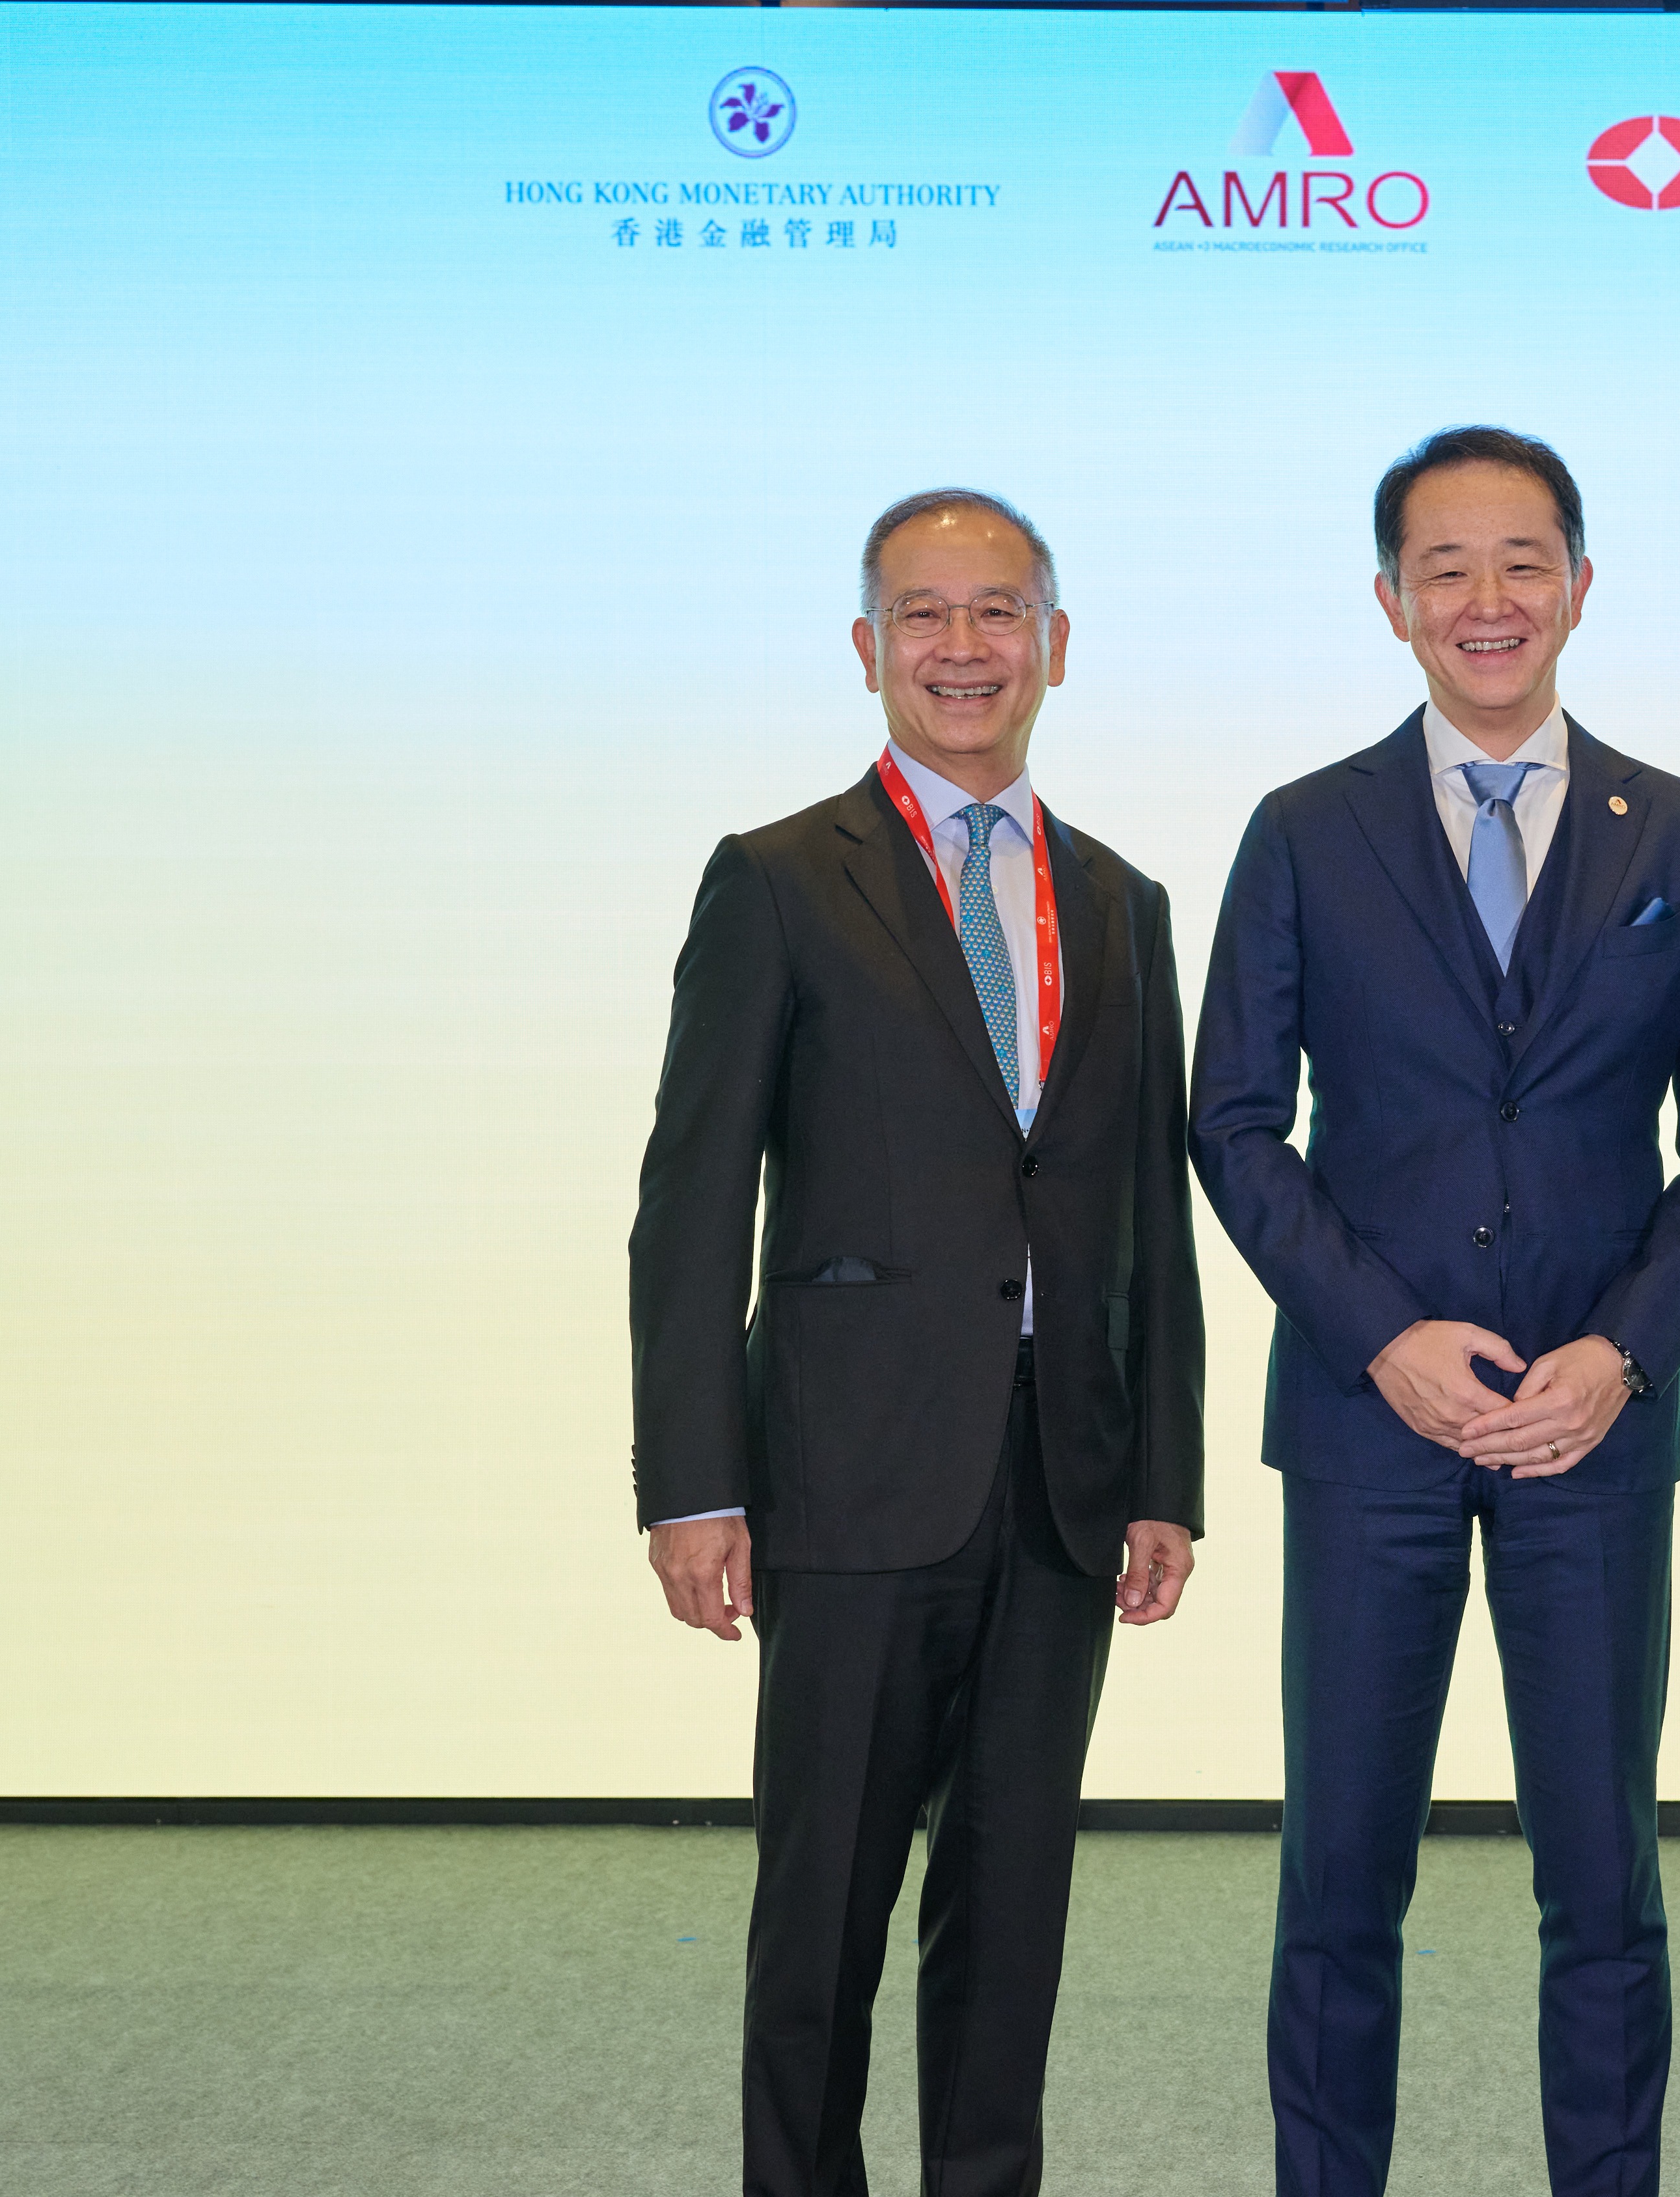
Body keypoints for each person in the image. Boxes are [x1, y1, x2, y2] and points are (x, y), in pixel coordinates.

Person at [1192, 426, 1680, 2197]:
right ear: (1392, 602)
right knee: (1339, 1874)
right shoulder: (1306, 830)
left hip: (1593, 1433)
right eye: (1445, 568)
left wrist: (1623, 1352)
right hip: (1369, 1424)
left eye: (1524, 562)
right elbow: (1235, 1121)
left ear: (1581, 587)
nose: (1488, 599)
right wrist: (1381, 1333)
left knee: (1603, 1878)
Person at [627, 488, 1206, 2197]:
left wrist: (1163, 1474)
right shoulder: (779, 880)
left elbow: (1150, 1218)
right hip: (848, 1484)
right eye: (925, 615)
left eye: (998, 611)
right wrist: (692, 1485)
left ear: (1056, 644)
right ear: (868, 647)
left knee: (1012, 1918)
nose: (965, 647)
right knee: (822, 1916)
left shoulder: (1121, 901)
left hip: (1060, 1485)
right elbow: (691, 1204)